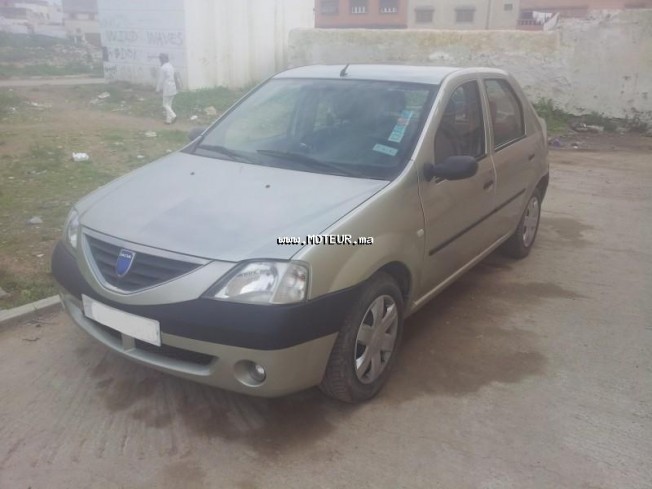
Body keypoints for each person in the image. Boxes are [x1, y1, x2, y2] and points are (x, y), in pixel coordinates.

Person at [156, 53, 177, 124]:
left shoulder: (163, 68)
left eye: (160, 59)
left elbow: (161, 80)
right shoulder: (171, 66)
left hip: (167, 88)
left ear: (162, 59)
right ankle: (168, 120)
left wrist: (157, 89)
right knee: (169, 105)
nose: (160, 60)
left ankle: (174, 116)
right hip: (173, 87)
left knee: (165, 104)